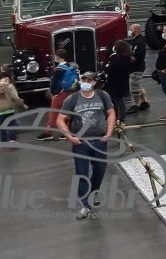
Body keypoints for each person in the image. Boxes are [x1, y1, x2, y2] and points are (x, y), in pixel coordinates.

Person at [56, 71, 116, 220]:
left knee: (100, 170)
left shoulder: (102, 95)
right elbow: (60, 120)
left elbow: (111, 113)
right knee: (82, 173)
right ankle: (85, 205)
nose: (86, 82)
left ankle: (94, 191)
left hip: (99, 141)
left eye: (89, 80)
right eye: (83, 79)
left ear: (94, 82)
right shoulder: (72, 99)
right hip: (81, 142)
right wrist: (70, 137)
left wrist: (109, 133)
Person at [42, 48, 79, 140]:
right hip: (70, 92)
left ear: (58, 57)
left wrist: (54, 93)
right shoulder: (70, 66)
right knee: (66, 112)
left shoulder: (59, 69)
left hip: (60, 93)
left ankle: (48, 132)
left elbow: (54, 83)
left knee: (54, 112)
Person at [0, 66, 24, 143]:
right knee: (12, 124)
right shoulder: (10, 87)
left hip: (0, 110)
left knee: (2, 126)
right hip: (9, 109)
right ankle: (12, 139)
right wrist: (20, 102)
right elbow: (15, 97)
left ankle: (4, 140)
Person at [104, 40, 135, 122]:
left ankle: (120, 116)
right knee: (119, 99)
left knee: (117, 100)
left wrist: (107, 67)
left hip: (115, 83)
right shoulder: (127, 58)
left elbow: (109, 69)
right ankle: (120, 115)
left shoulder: (117, 59)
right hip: (122, 82)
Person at [127, 23, 149, 112]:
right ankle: (144, 102)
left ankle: (136, 104)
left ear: (136, 30)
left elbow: (135, 57)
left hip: (137, 68)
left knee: (134, 87)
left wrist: (125, 60)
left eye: (131, 29)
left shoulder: (139, 42)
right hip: (135, 67)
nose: (129, 31)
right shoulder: (135, 41)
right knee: (138, 85)